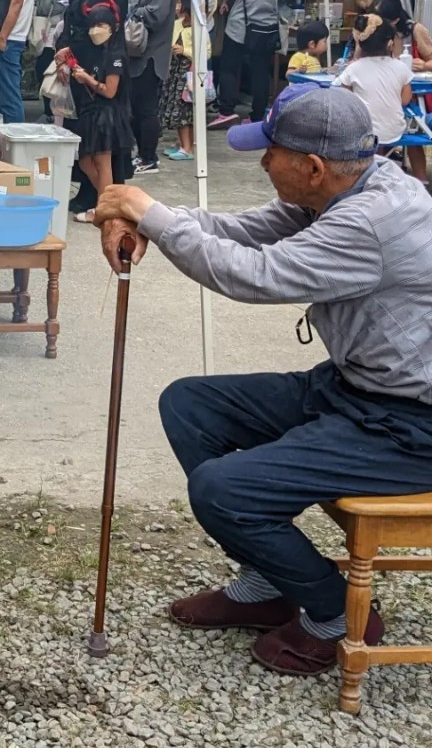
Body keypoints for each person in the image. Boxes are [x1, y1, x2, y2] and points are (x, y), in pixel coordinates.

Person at [94, 85, 432, 677]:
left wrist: (148, 214)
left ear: (313, 167)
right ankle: (267, 580)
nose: (261, 160)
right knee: (191, 405)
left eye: (271, 150)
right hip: (355, 388)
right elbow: (243, 229)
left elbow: (256, 274)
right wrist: (146, 218)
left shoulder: (371, 220)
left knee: (225, 490)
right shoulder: (343, 186)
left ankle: (335, 615)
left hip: (409, 426)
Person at [55, 0, 132, 216]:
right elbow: (69, 15)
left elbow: (105, 28)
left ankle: (108, 199)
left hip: (99, 64)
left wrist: (77, 58)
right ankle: (90, 191)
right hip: (76, 60)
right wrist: (63, 54)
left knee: (101, 139)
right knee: (83, 135)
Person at [209, 0, 289, 129]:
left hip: (239, 26)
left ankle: (227, 111)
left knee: (228, 68)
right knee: (261, 72)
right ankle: (257, 115)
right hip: (267, 28)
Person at [67, 5, 131, 222]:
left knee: (103, 162)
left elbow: (110, 91)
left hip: (108, 115)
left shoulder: (116, 55)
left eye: (101, 25)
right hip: (92, 113)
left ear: (113, 28)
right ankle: (110, 202)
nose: (96, 30)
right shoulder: (96, 52)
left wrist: (87, 79)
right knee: (85, 161)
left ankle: (105, 209)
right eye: (92, 25)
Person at [125, 0, 178, 175]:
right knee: (135, 106)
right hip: (137, 53)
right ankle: (142, 154)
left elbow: (157, 15)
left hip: (152, 55)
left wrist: (135, 11)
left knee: (145, 108)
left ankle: (149, 156)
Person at [335, 13, 414, 149]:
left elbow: (344, 100)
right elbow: (406, 100)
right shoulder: (401, 67)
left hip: (363, 132)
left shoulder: (353, 69)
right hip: (394, 131)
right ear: (390, 43)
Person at [32, 0, 70, 112]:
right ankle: (49, 108)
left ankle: (51, 109)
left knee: (45, 66)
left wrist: (41, 5)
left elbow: (60, 4)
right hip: (44, 27)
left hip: (53, 28)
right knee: (41, 66)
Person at [159, 0, 196, 161]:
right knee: (175, 108)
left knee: (184, 111)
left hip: (188, 72)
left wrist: (185, 51)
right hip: (175, 70)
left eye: (180, 3)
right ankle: (181, 144)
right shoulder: (177, 23)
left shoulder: (197, 26)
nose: (177, 6)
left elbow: (206, 52)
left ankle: (187, 147)